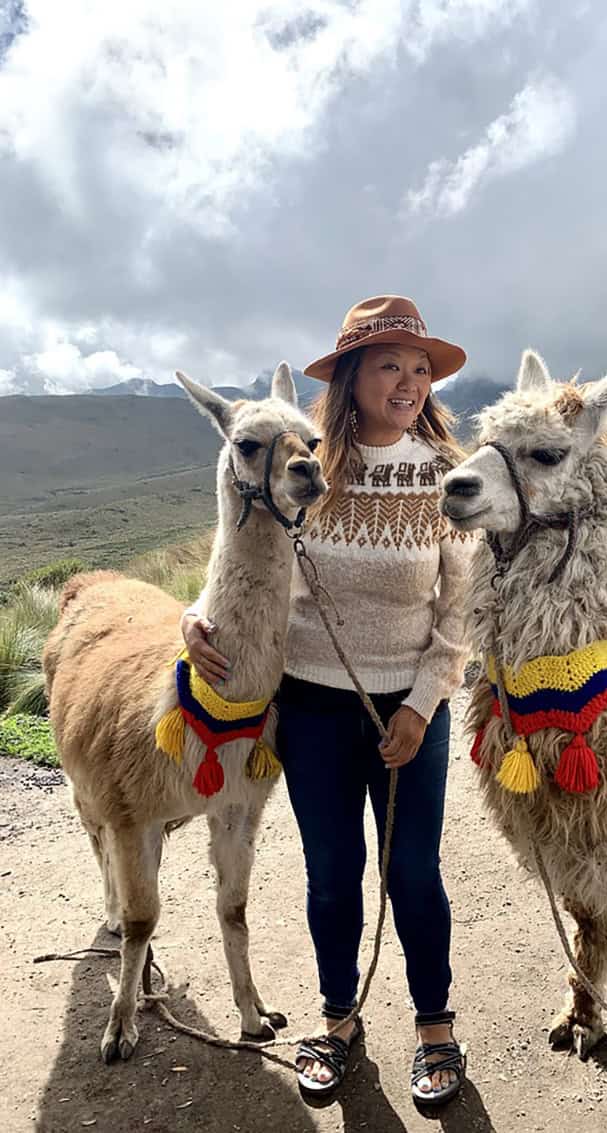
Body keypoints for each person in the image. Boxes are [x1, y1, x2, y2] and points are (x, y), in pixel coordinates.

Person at [182, 295, 472, 1105]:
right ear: (350, 378)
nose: (408, 382)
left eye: (419, 368)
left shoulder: (443, 474)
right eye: (390, 365)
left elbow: (458, 609)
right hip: (309, 705)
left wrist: (420, 704)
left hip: (411, 710)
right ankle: (340, 1017)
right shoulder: (304, 467)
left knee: (412, 870)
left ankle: (435, 1026)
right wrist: (190, 618)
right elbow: (243, 558)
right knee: (333, 872)